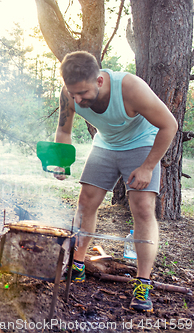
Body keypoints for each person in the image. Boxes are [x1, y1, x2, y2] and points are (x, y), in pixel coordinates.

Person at [56, 51, 178, 312]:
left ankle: (143, 282)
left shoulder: (130, 88)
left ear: (99, 81)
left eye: (82, 93)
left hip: (141, 144)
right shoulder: (69, 93)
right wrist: (62, 160)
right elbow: (64, 130)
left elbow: (169, 124)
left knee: (143, 208)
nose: (76, 99)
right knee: (85, 202)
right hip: (105, 144)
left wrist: (147, 167)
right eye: (72, 93)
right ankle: (77, 263)